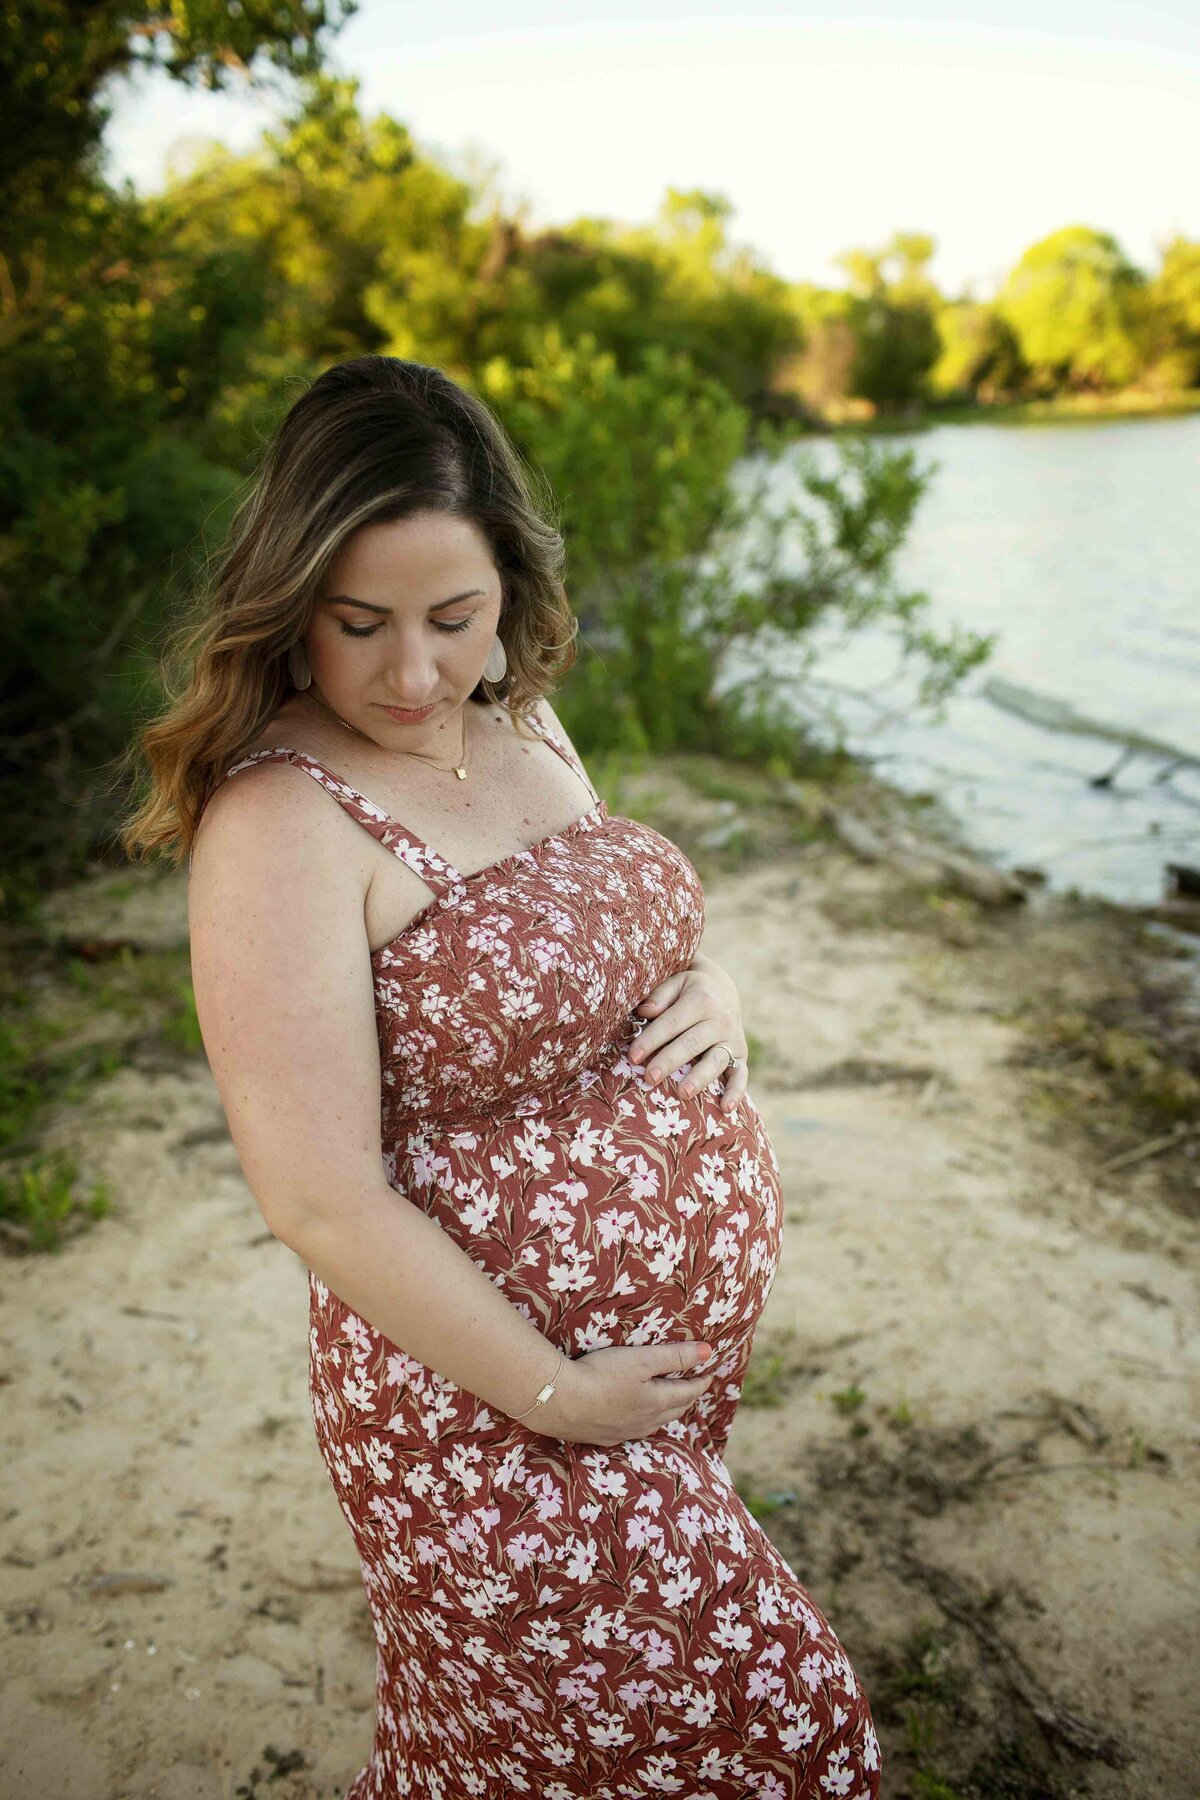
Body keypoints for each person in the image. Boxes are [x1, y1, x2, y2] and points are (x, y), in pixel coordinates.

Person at [124, 355, 881, 1798]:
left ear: (508, 594)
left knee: (517, 1761)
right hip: (481, 1418)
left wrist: (711, 990)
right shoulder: (283, 822)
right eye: (361, 625)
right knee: (789, 1732)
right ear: (291, 605)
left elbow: (611, 942)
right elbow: (320, 1198)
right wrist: (553, 1391)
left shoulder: (522, 716)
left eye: (453, 619)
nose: (414, 674)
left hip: (633, 1391)